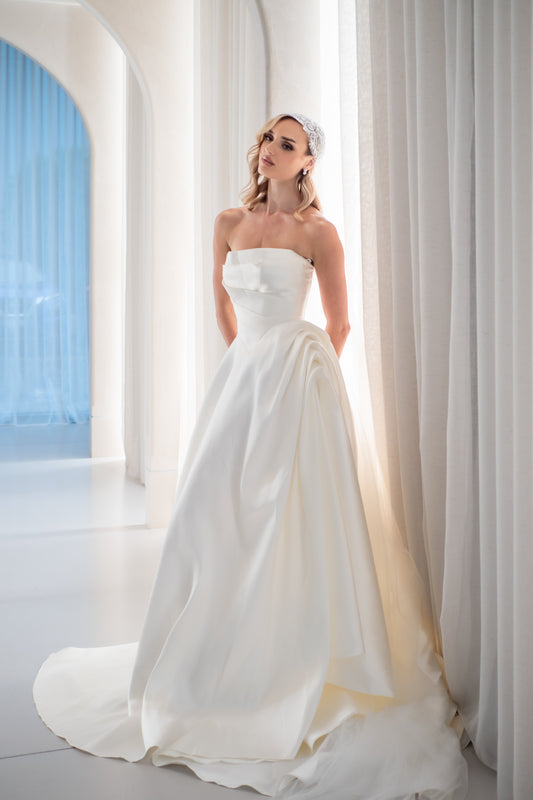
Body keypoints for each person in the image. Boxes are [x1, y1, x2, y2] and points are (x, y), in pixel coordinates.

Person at [34, 114, 467, 799]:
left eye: (286, 144)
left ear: (306, 165)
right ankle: (209, 662)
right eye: (268, 137)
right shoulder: (228, 221)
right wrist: (248, 362)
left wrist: (305, 376)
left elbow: (339, 322)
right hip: (241, 382)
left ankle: (289, 665)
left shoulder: (318, 234)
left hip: (296, 383)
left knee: (286, 525)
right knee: (211, 520)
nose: (270, 149)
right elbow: (220, 302)